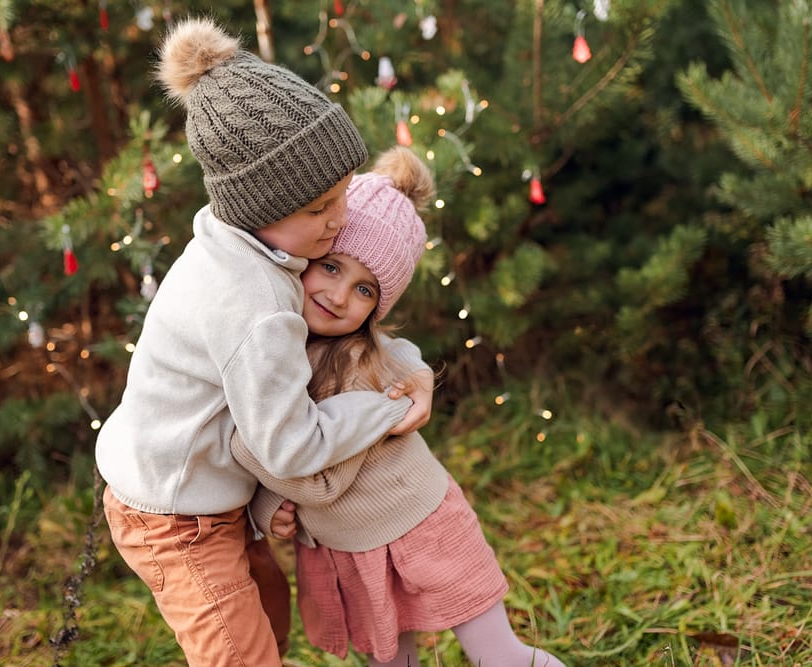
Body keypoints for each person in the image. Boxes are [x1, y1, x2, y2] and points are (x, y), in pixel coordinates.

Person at [95, 19, 432, 667]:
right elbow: (291, 443)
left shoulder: (251, 249)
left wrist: (411, 369)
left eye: (341, 195)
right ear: (258, 203)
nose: (340, 219)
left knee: (266, 623)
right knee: (238, 654)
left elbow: (352, 338)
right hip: (175, 518)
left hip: (212, 500)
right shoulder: (253, 304)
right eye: (321, 206)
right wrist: (388, 406)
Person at [233, 147, 567, 667]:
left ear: (377, 307)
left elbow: (319, 477)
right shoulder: (271, 347)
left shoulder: (364, 369)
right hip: (349, 549)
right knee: (392, 662)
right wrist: (268, 507)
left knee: (499, 656)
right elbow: (280, 465)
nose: (339, 295)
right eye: (330, 267)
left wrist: (238, 446)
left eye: (364, 288)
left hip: (422, 527)